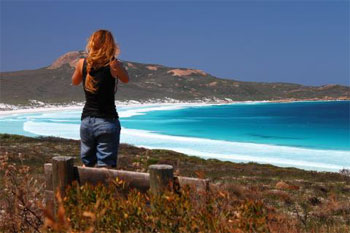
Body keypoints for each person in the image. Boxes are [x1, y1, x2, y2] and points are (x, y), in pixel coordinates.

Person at [71, 29, 129, 168]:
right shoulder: (113, 64)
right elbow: (126, 79)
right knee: (105, 169)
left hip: (86, 121)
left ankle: (85, 190)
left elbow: (75, 81)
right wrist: (118, 67)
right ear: (110, 45)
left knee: (87, 166)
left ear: (92, 43)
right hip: (107, 120)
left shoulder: (82, 63)